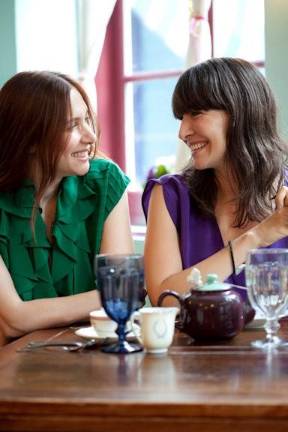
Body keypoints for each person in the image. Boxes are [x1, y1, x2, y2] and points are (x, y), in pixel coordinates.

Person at [142, 57, 288, 306]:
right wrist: (255, 238)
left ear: (239, 113)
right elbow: (166, 300)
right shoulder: (170, 196)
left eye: (196, 113)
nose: (183, 132)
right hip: (198, 347)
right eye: (181, 118)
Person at [0, 71, 134, 339]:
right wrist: (107, 297)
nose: (91, 136)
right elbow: (12, 321)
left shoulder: (105, 182)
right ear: (30, 140)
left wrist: (32, 314)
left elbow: (125, 294)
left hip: (94, 356)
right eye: (71, 125)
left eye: (87, 119)